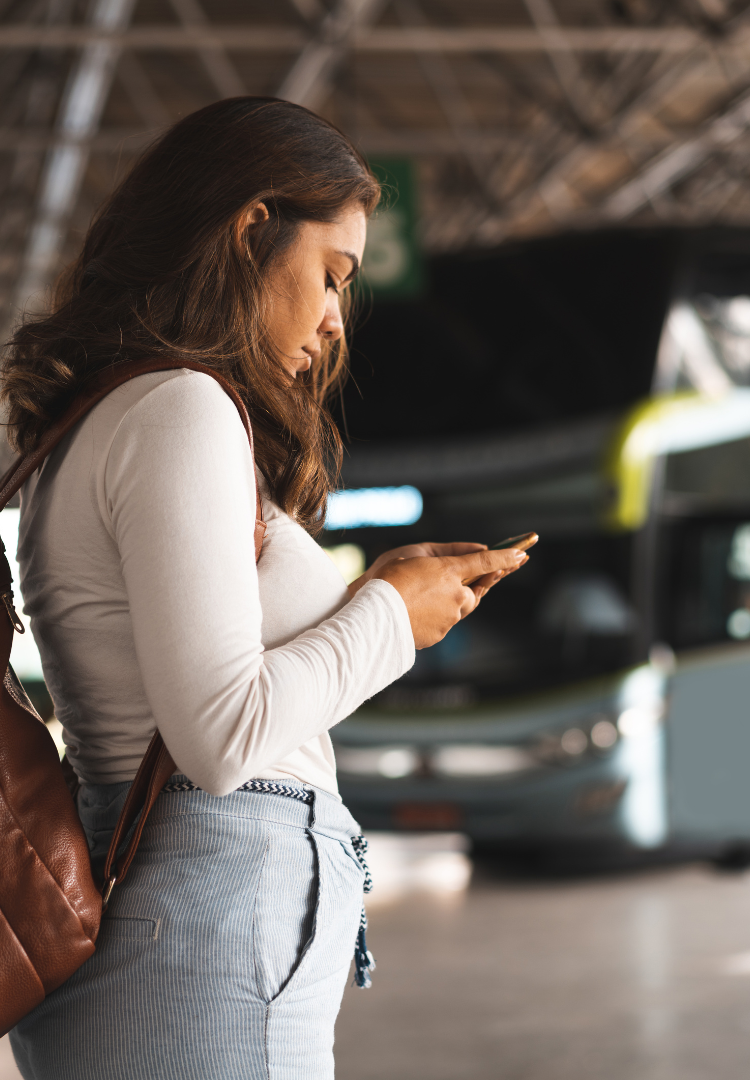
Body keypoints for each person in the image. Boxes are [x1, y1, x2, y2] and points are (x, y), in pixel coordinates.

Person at [2, 97, 526, 1080]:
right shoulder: (180, 408)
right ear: (251, 228)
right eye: (331, 275)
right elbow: (220, 733)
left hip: (183, 926)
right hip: (205, 923)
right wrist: (390, 620)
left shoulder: (97, 422)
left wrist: (383, 593)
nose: (336, 320)